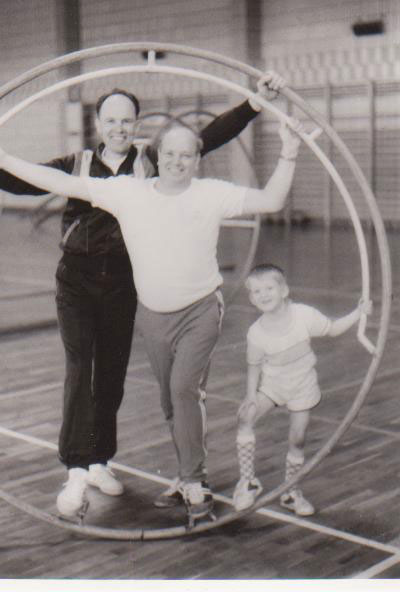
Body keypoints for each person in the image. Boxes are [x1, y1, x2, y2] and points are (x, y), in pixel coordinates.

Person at [0, 72, 285, 518]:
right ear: (97, 123)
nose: (118, 128)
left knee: (112, 372)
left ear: (136, 124)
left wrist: (252, 105)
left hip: (124, 284)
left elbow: (205, 138)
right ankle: (76, 468)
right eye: (111, 120)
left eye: (126, 120)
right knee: (81, 365)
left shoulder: (151, 161)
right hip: (76, 282)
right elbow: (24, 181)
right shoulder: (75, 164)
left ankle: (99, 459)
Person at [232, 263, 372, 515]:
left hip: (302, 387)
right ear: (251, 299)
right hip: (273, 386)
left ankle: (291, 491)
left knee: (297, 439)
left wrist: (358, 312)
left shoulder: (303, 315)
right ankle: (248, 482)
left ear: (284, 290)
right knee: (245, 417)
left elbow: (332, 329)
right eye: (255, 291)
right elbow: (253, 365)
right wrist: (251, 395)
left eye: (268, 288)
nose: (262, 295)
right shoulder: (256, 333)